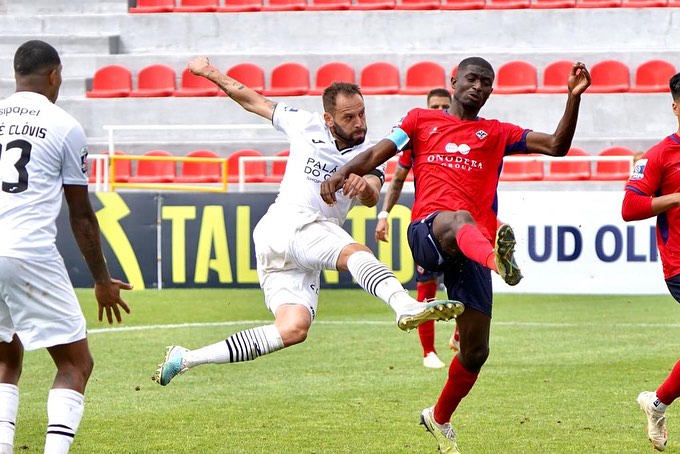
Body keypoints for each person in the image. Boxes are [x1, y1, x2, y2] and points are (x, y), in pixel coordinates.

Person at [321, 57, 591, 453]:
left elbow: (556, 146)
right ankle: (498, 263)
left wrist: (572, 97)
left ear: (491, 91)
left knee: (476, 351)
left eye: (486, 82)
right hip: (429, 233)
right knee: (459, 218)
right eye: (471, 79)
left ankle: (439, 416)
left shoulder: (497, 132)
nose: (478, 86)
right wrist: (342, 172)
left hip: (471, 247)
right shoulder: (418, 121)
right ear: (453, 82)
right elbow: (378, 154)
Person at [153, 57, 463, 388]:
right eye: (349, 117)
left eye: (362, 114)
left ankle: (186, 358)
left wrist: (365, 188)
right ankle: (403, 305)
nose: (359, 123)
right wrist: (209, 71)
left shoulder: (371, 154)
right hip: (290, 223)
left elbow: (373, 191)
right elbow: (250, 98)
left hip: (292, 251)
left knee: (292, 329)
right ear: (329, 119)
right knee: (355, 251)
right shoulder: (304, 124)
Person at [0, 40, 132, 454]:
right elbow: (80, 213)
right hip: (28, 253)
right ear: (54, 75)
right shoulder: (63, 125)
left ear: (16, 73)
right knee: (76, 364)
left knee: (6, 359)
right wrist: (100, 280)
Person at [623, 71, 680, 452]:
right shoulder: (660, 155)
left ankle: (657, 403)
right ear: (676, 107)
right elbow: (629, 208)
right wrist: (676, 198)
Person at [375, 88, 454, 369]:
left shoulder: (463, 135)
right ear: (427, 107)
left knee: (469, 282)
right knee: (427, 287)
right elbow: (397, 179)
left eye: (445, 105)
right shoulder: (417, 139)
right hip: (427, 225)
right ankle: (428, 352)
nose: (440, 110)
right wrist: (384, 214)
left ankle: (458, 335)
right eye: (435, 106)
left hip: (459, 221)